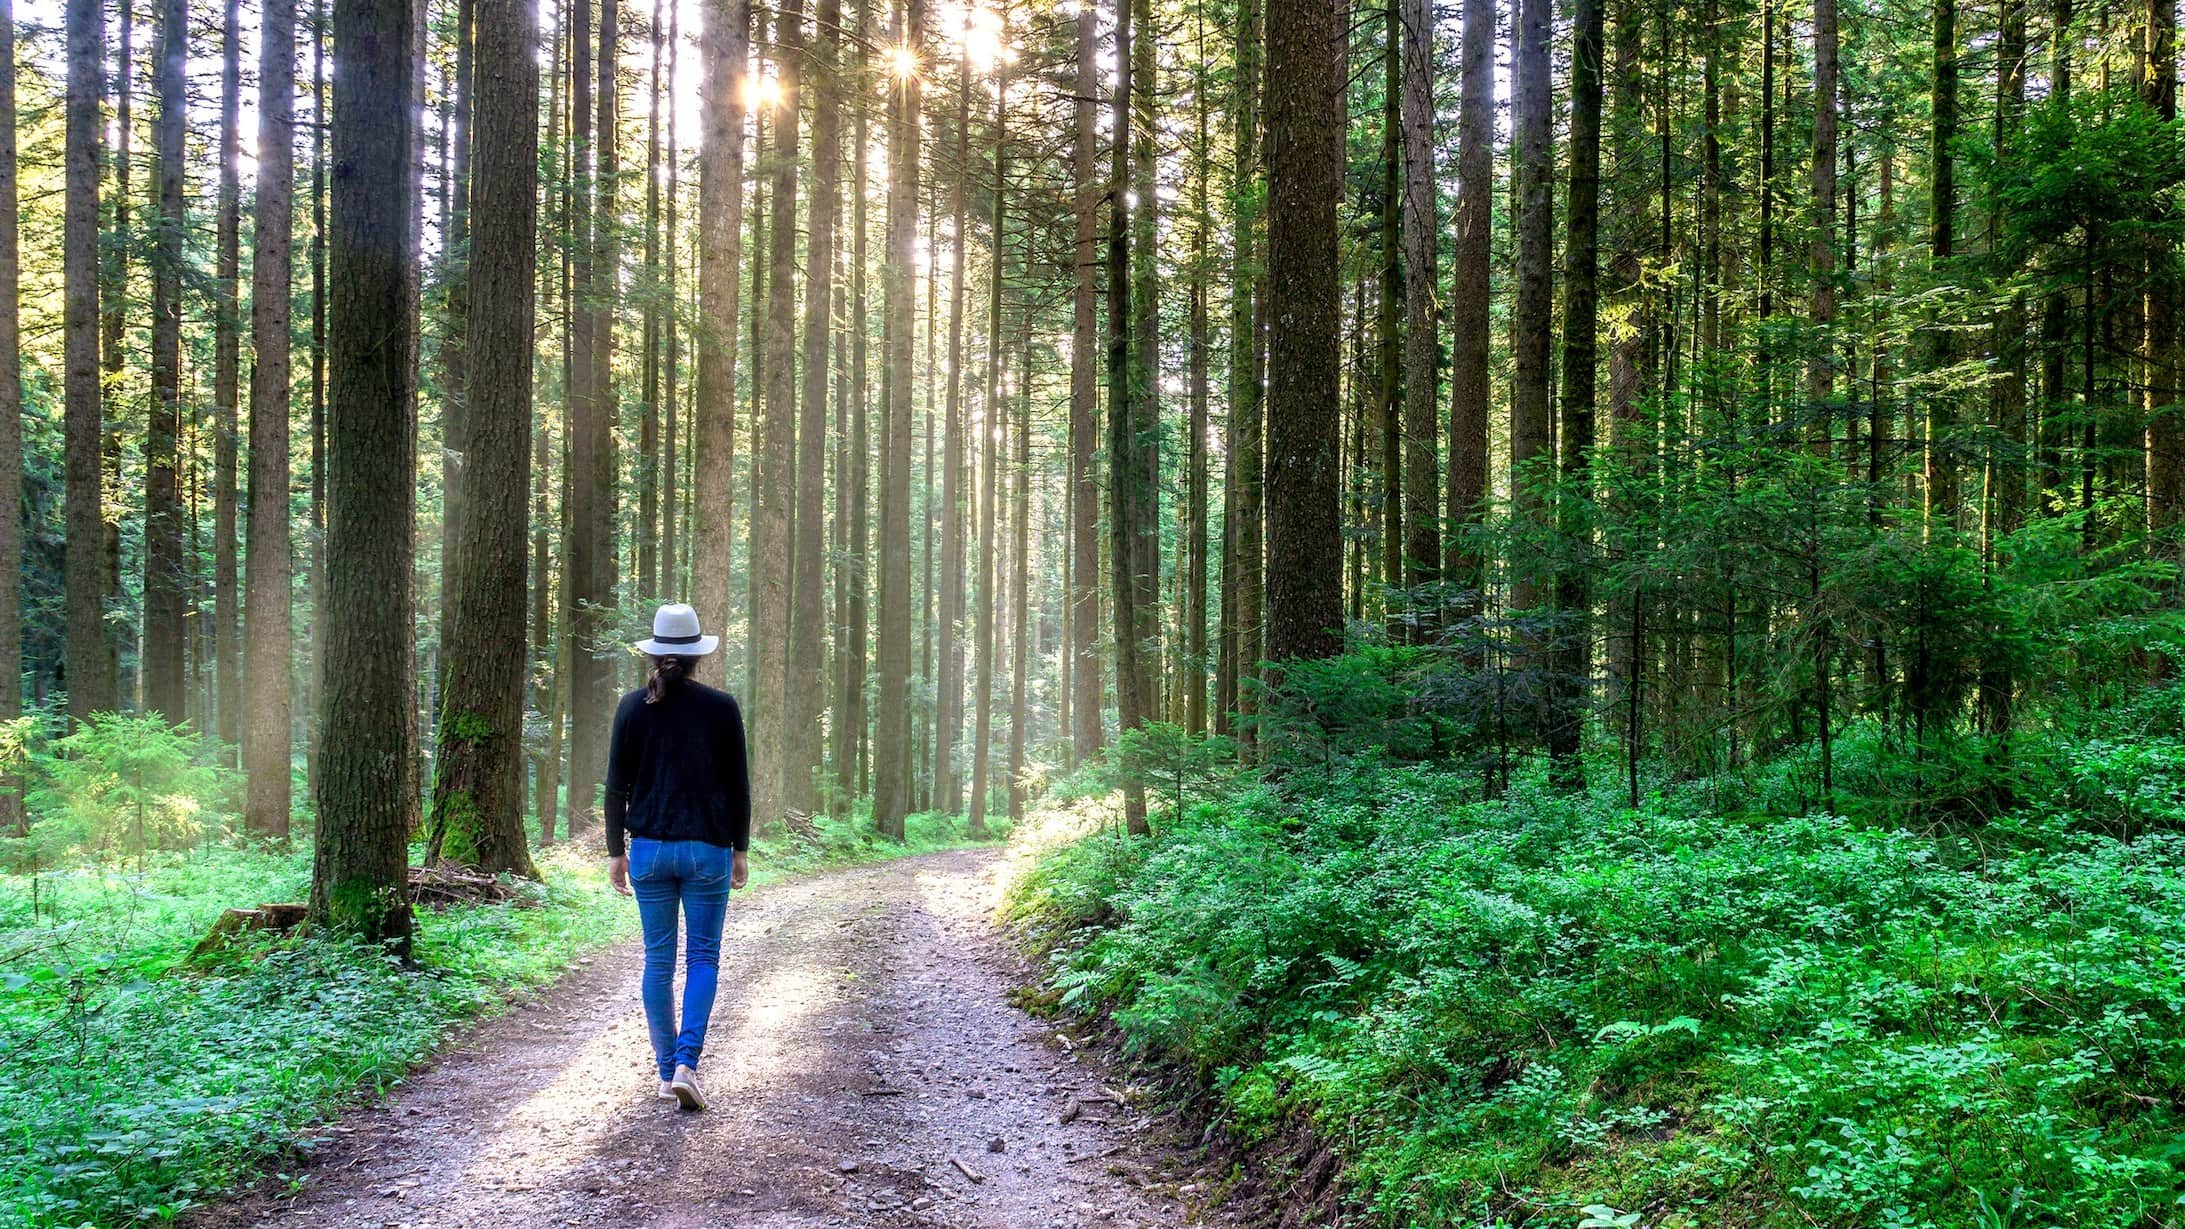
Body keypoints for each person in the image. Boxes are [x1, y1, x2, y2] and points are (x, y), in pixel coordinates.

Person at [605, 602, 751, 1112]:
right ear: (695, 657)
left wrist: (614, 853)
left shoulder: (630, 707)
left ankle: (667, 1072)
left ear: (655, 652)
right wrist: (740, 849)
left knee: (658, 961)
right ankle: (688, 1062)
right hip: (707, 849)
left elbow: (615, 788)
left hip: (647, 850)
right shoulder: (721, 707)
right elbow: (738, 787)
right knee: (703, 957)